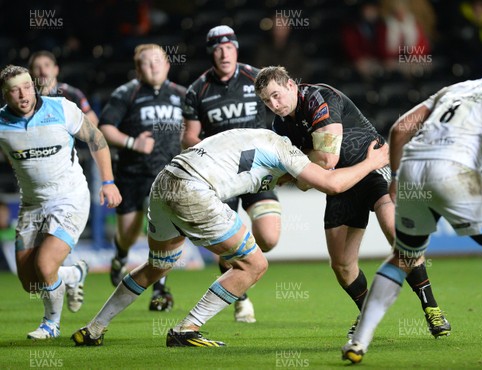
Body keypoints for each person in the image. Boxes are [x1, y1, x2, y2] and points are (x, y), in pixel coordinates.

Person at [341, 39, 482, 365]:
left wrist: (394, 177)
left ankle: (358, 342)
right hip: (453, 171)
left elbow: (400, 128)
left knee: (404, 256)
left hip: (413, 170)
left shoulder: (455, 89)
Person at [71, 128, 389, 347]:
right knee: (254, 265)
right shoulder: (287, 151)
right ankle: (186, 329)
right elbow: (332, 184)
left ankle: (94, 328)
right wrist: (372, 162)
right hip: (193, 189)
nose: (313, 173)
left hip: (165, 182)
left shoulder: (256, 136)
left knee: (157, 265)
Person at [254, 66, 450, 339]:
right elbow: (303, 181)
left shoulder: (319, 98)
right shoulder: (280, 126)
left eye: (276, 95)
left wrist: (299, 167)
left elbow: (326, 162)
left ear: (290, 85)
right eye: (266, 101)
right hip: (341, 186)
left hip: (372, 168)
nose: (274, 105)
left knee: (397, 234)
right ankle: (368, 314)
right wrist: (301, 171)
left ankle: (432, 308)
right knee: (342, 266)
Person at [0, 65, 121, 339]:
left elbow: (97, 139)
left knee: (44, 266)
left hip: (70, 198)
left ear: (33, 85)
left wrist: (108, 182)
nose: (23, 95)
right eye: (14, 91)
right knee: (30, 284)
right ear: (5, 95)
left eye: (27, 87)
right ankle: (73, 275)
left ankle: (51, 324)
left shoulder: (61, 109)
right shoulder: (1, 123)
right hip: (32, 205)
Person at [181, 25, 280, 323]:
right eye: (218, 48)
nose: (224, 53)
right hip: (222, 177)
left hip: (258, 168)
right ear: (211, 52)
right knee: (227, 242)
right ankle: (241, 295)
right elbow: (189, 137)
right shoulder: (197, 90)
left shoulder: (257, 78)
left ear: (236, 48)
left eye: (229, 47)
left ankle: (237, 262)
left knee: (270, 237)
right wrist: (216, 154)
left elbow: (280, 106)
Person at [98, 44, 186, 311]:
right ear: (138, 69)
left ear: (168, 65)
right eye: (146, 63)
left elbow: (194, 128)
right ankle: (121, 256)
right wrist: (133, 142)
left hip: (167, 173)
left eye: (158, 61)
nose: (153, 66)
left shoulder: (182, 95)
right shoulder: (126, 93)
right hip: (133, 173)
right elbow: (104, 128)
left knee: (164, 230)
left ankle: (160, 290)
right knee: (129, 233)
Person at [28, 50, 99, 125]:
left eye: (47, 65)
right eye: (37, 67)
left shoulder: (71, 94)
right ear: (31, 73)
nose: (42, 71)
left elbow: (93, 122)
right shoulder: (27, 97)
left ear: (56, 69)